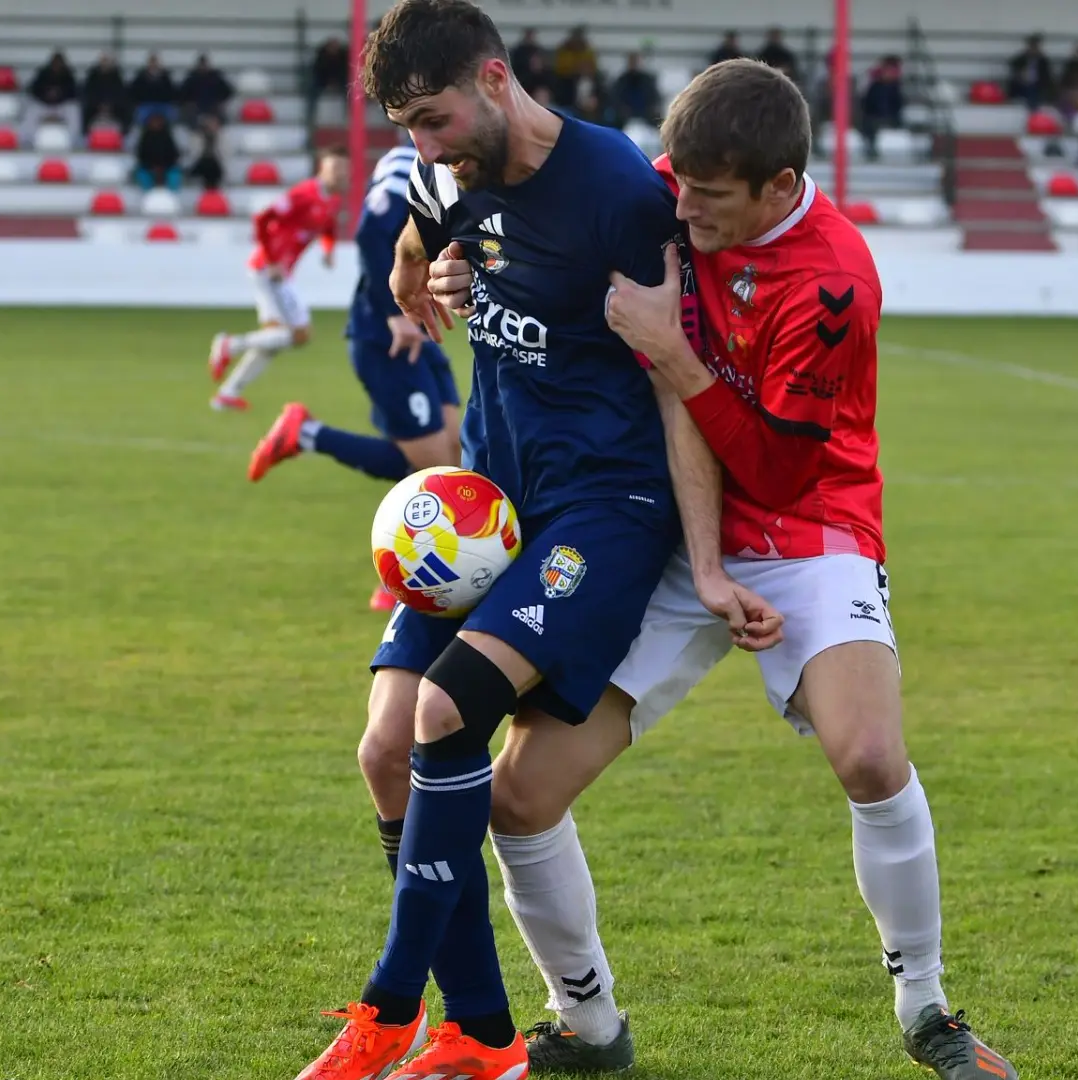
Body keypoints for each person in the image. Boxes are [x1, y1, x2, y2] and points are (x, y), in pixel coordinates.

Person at [423, 58, 1018, 1080]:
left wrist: (674, 352)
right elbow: (493, 211)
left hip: (808, 526)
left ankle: (926, 1008)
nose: (682, 205)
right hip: (666, 530)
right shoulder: (670, 187)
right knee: (520, 795)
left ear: (780, 187)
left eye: (709, 195)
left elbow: (778, 465)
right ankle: (591, 1026)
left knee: (870, 757)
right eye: (679, 180)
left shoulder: (835, 284)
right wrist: (457, 268)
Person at [290, 5, 777, 1080]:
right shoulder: (450, 171)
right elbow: (423, 230)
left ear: (497, 80)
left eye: (434, 117)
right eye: (406, 127)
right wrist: (429, 270)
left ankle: (386, 1005)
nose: (424, 144)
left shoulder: (617, 194)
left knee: (445, 711)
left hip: (600, 516)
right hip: (488, 509)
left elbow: (679, 387)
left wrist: (702, 563)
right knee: (384, 752)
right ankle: (482, 1030)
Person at [246, 143, 465, 612]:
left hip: (421, 335)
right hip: (387, 341)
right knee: (428, 468)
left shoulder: (442, 161)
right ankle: (400, 580)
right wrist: (395, 315)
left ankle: (305, 433)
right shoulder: (415, 165)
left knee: (453, 460)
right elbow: (370, 234)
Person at [206, 147, 349, 411]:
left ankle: (227, 393)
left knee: (284, 338)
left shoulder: (333, 199)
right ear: (322, 169)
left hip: (282, 274)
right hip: (267, 270)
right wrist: (272, 260)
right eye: (335, 169)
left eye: (343, 169)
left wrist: (329, 251)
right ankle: (229, 344)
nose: (340, 174)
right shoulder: (303, 194)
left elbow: (328, 227)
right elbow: (262, 219)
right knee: (293, 334)